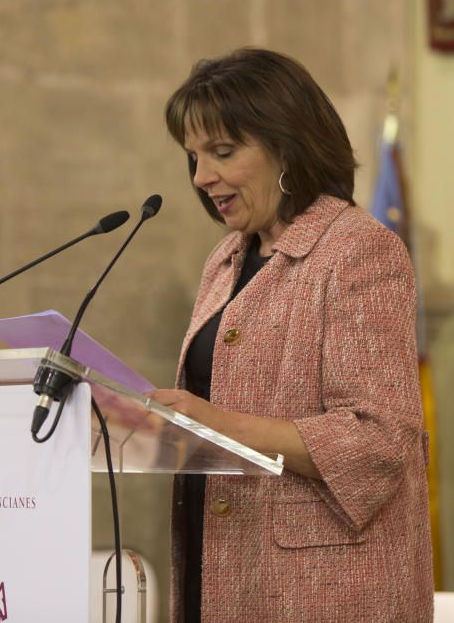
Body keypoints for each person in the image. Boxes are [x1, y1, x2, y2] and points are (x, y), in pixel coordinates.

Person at [147, 48, 433, 622]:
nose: (202, 178)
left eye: (222, 153)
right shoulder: (225, 260)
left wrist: (217, 424)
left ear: (286, 145)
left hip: (323, 590)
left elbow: (379, 438)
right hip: (222, 564)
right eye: (194, 157)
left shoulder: (358, 251)